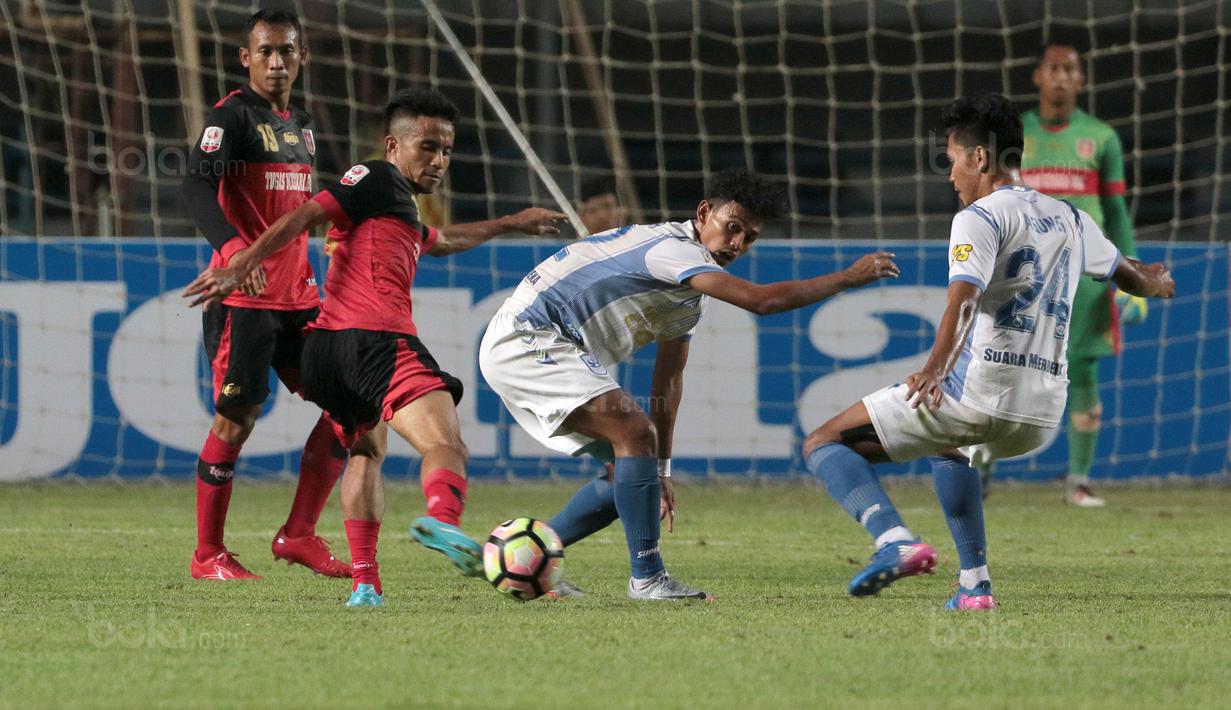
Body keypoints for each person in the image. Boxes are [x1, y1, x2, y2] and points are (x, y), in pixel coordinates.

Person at [185, 88, 567, 607]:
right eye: (426, 147)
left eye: (447, 151)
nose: (438, 161)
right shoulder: (374, 177)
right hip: (374, 342)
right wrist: (242, 260)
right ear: (393, 145)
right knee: (445, 445)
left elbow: (442, 239)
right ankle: (443, 522)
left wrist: (511, 222)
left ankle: (365, 582)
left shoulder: (395, 205)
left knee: (364, 446)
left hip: (326, 351)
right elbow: (303, 216)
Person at [800, 93, 1174, 611]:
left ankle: (894, 541)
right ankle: (975, 586)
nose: (950, 174)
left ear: (979, 158)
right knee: (949, 445)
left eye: (953, 159)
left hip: (982, 392)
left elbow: (965, 299)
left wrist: (934, 369)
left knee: (823, 443)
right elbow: (1132, 277)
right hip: (1042, 415)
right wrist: (1158, 283)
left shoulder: (979, 217)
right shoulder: (1069, 216)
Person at [478, 167, 901, 600]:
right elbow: (763, 301)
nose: (736, 244)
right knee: (633, 432)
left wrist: (660, 468)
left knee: (624, 471)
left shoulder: (689, 296)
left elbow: (668, 379)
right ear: (704, 213)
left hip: (539, 343)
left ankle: (524, 561)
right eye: (731, 228)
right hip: (529, 335)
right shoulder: (672, 251)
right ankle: (648, 579)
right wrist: (849, 277)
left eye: (749, 237)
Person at [181, 9, 352, 580]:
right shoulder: (230, 117)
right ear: (245, 58)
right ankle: (207, 555)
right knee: (237, 418)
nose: (277, 62)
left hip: (299, 296)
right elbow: (196, 183)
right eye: (266, 52)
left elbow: (289, 207)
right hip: (244, 302)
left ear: (301, 57)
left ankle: (298, 534)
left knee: (350, 406)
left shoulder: (301, 123)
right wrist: (233, 253)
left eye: (287, 51)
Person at [1019, 42, 1144, 506]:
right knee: (1003, 368)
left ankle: (1079, 480)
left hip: (1087, 275)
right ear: (1038, 76)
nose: (1060, 78)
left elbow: (1115, 210)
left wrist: (1131, 279)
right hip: (1026, 274)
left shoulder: (1102, 137)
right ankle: (983, 469)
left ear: (1081, 80)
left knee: (1083, 370)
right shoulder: (1016, 132)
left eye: (1069, 70)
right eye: (1052, 69)